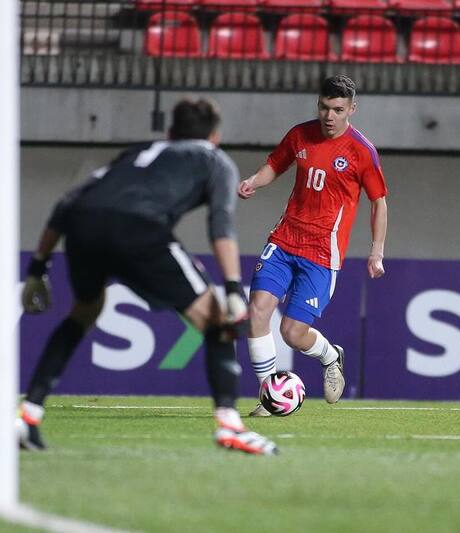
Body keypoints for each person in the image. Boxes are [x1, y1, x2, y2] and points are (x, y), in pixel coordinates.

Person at [17, 98, 278, 455]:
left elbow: (67, 203)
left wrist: (37, 268)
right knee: (219, 321)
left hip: (83, 227)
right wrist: (233, 287)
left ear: (170, 132)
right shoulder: (215, 160)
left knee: (84, 312)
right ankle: (230, 426)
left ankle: (28, 415)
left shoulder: (138, 151)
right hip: (139, 228)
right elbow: (220, 226)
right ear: (215, 136)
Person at [237, 75, 388, 416]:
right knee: (257, 312)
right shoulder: (299, 134)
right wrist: (253, 182)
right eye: (323, 107)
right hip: (284, 239)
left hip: (322, 254)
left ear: (352, 109)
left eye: (337, 109)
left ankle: (330, 356)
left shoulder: (362, 152)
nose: (329, 116)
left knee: (292, 332)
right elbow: (275, 164)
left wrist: (376, 250)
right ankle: (268, 396)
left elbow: (379, 202)